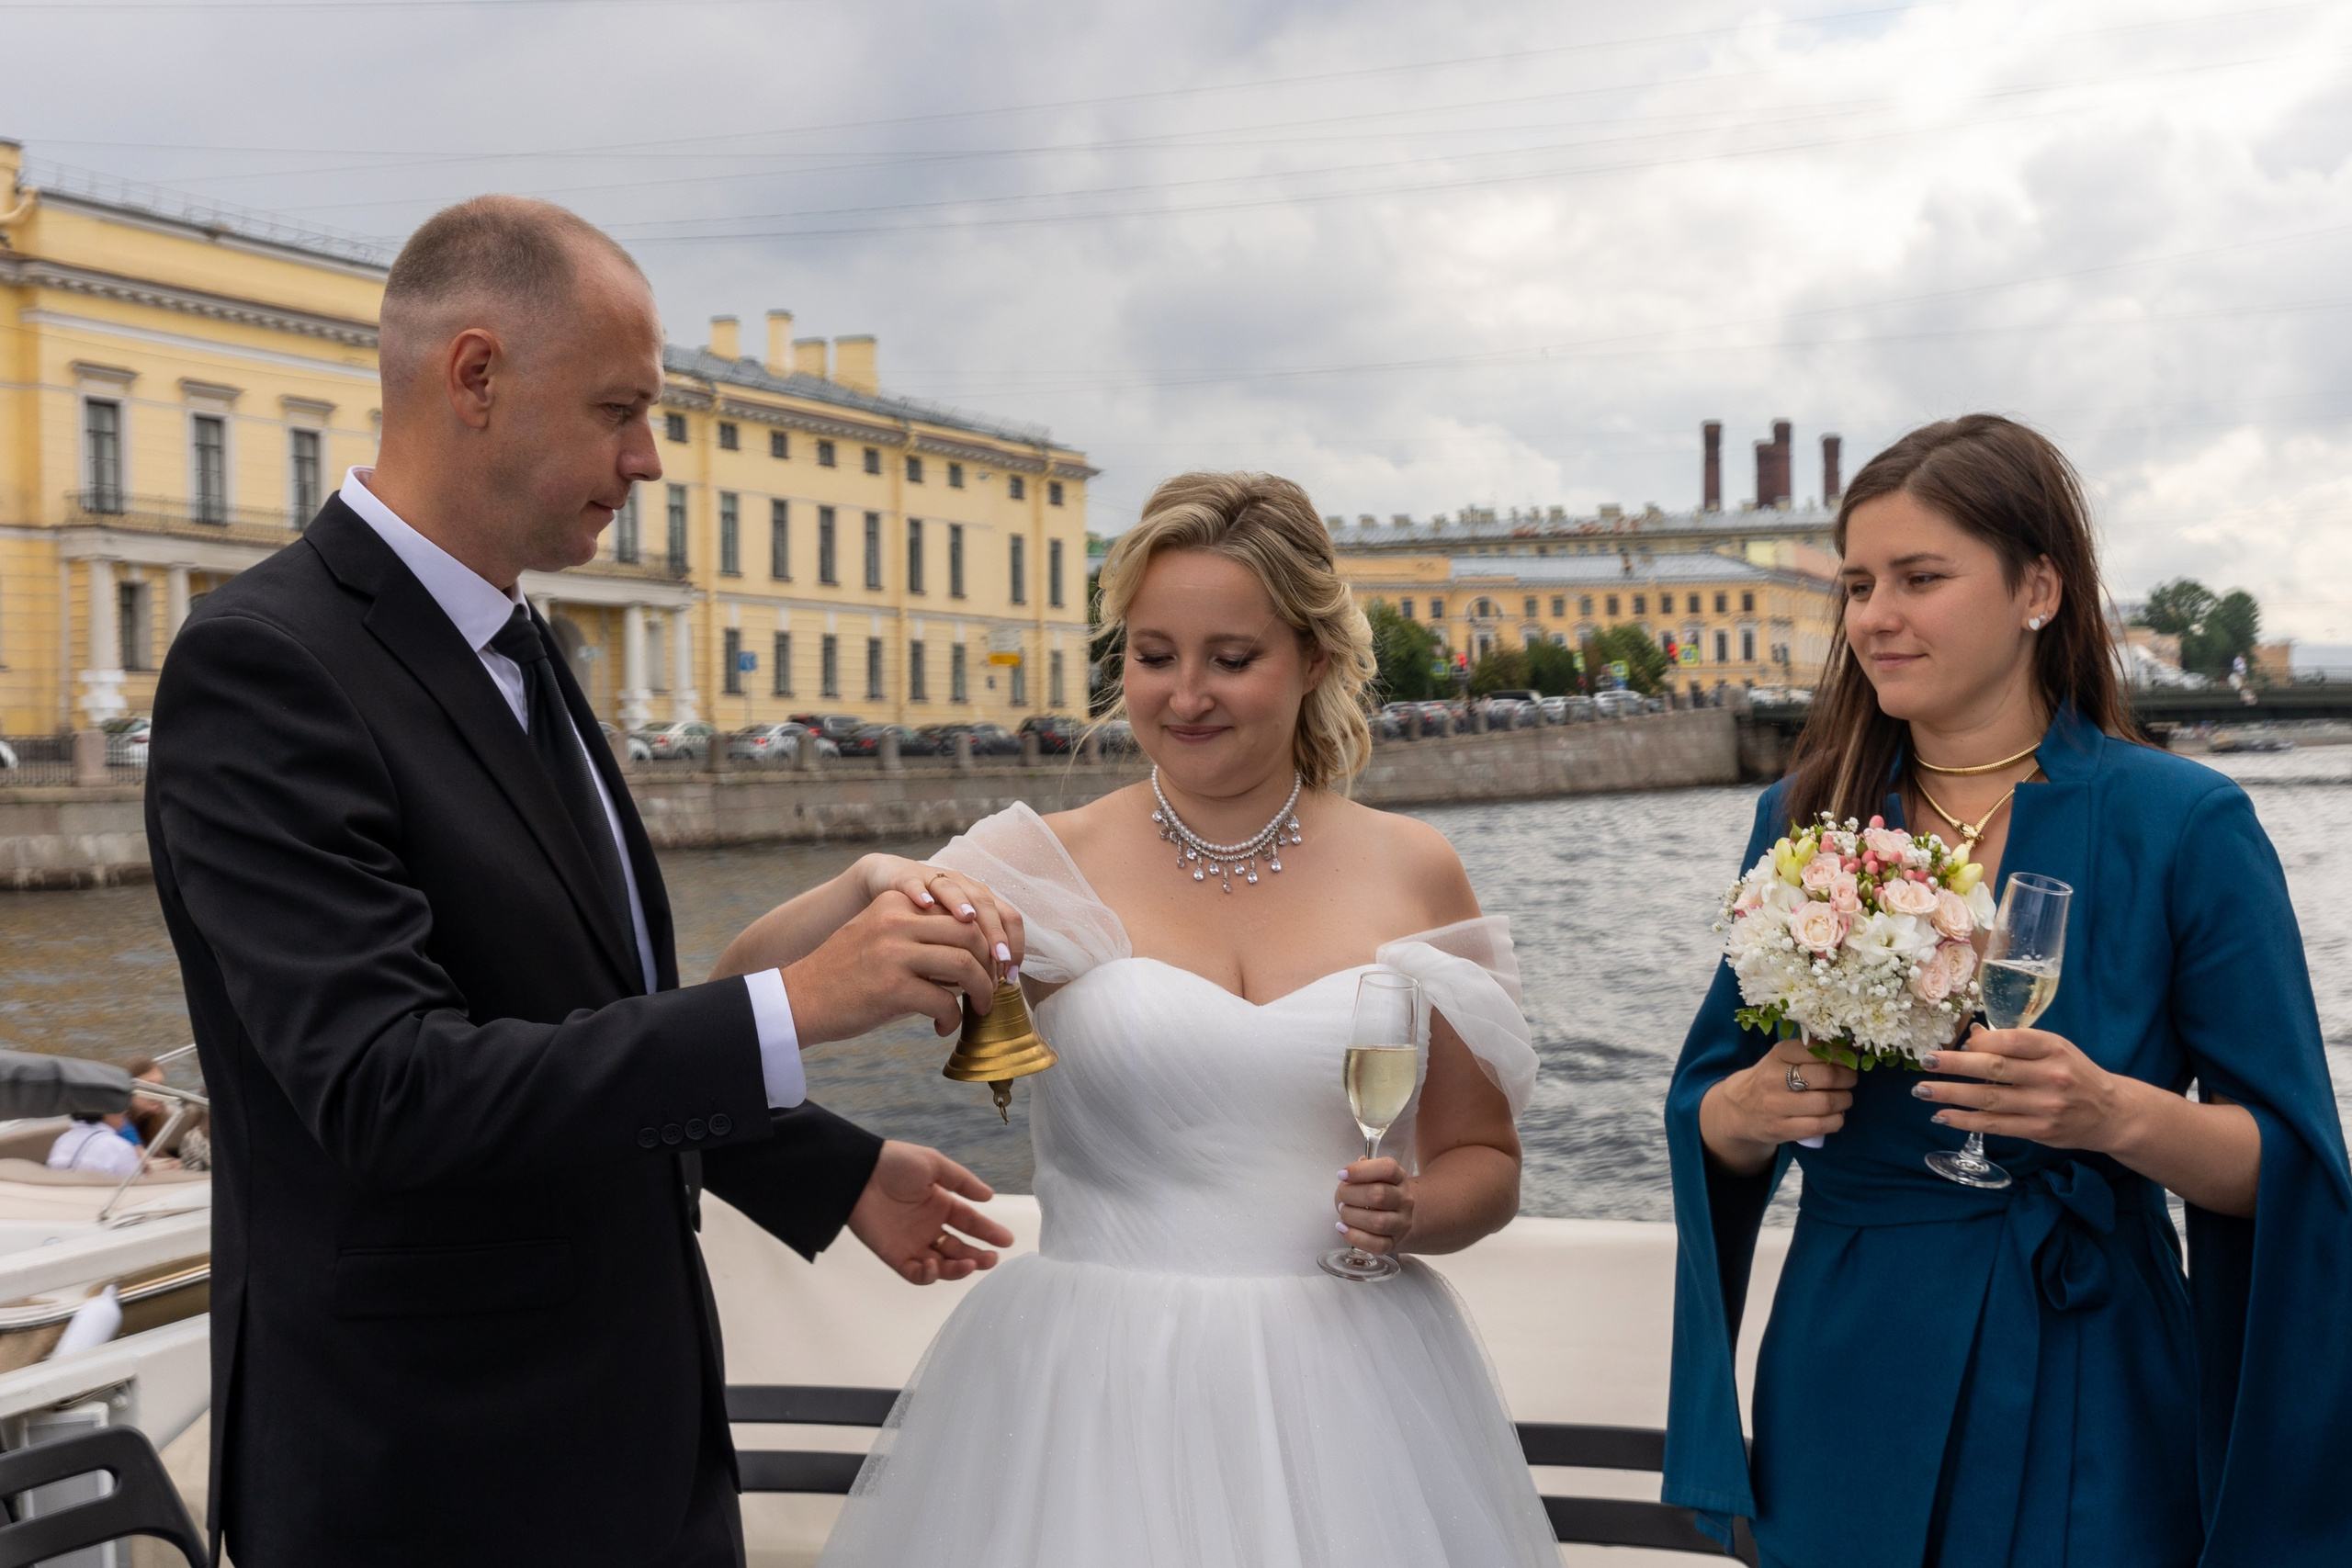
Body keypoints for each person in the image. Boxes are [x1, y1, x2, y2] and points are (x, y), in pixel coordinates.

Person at [146, 196, 1019, 1568]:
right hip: (427, 1476)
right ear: (476, 376)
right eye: (621, 409)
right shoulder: (263, 662)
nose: (650, 458)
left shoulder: (518, 641)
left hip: (629, 1438)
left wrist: (824, 1166)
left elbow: (573, 1009)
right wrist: (797, 1005)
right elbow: (391, 1089)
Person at [736, 471, 1556, 1567]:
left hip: (1357, 1403)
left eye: (1231, 657)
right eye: (1153, 655)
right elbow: (731, 1005)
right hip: (1088, 1395)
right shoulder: (1038, 866)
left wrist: (1414, 1210)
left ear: (1312, 660)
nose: (1185, 695)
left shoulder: (1415, 869)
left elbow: (1483, 1158)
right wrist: (865, 884)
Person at [1662, 415, 2352, 1567]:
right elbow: (1712, 1105)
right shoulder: (1801, 821)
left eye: (1920, 578)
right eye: (1856, 583)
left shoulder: (2183, 825)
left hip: (2089, 1357)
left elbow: (2290, 1164)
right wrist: (1744, 1115)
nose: (1875, 615)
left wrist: (2113, 1116)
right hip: (1846, 1361)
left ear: (2038, 586)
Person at [47, 1108, 146, 1177]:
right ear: (107, 1112)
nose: (125, 1112)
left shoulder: (62, 1141)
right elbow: (135, 1187)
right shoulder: (120, 1148)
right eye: (121, 1109)